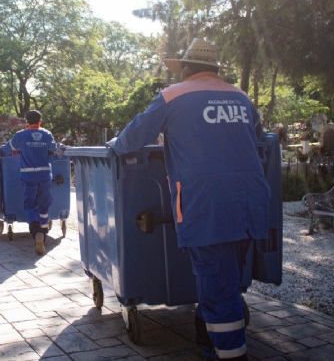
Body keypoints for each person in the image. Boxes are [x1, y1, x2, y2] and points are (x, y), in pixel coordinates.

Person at [107, 39, 269, 361]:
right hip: (250, 201)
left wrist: (114, 147)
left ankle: (231, 353)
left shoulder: (173, 96)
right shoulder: (241, 97)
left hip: (207, 205)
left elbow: (134, 137)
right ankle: (212, 340)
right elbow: (259, 139)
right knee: (228, 279)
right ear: (215, 69)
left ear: (186, 68)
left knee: (217, 285)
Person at [6, 110, 57, 255]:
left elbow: (7, 149)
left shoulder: (20, 135)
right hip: (45, 174)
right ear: (41, 121)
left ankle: (36, 232)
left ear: (26, 122)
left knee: (30, 204)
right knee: (44, 203)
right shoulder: (47, 134)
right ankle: (44, 230)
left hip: (28, 176)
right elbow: (54, 149)